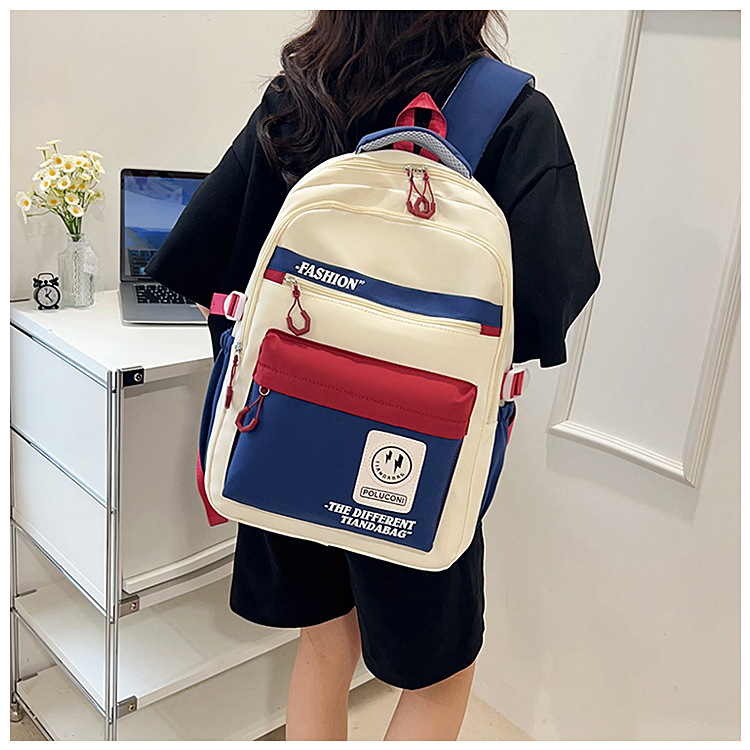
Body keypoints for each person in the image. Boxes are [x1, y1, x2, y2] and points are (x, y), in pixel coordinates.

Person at [145, 10, 600, 741]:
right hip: (421, 455)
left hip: (283, 435)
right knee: (439, 678)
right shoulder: (515, 116)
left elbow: (204, 266)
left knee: (325, 645)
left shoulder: (297, 96)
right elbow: (548, 307)